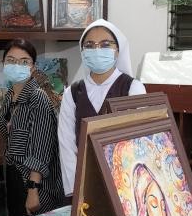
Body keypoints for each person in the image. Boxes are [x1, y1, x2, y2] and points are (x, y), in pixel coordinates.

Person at [57, 19, 145, 195]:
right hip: (84, 181)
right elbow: (66, 144)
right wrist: (77, 189)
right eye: (89, 45)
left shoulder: (133, 88)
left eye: (105, 44)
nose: (97, 50)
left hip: (125, 182)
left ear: (117, 50)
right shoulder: (72, 93)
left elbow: (139, 142)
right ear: (83, 52)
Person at [0, 38, 62, 216]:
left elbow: (41, 148)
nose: (17, 66)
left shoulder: (37, 97)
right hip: (14, 175)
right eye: (11, 61)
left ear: (32, 67)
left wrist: (33, 189)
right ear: (3, 63)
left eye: (24, 62)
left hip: (35, 182)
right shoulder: (9, 97)